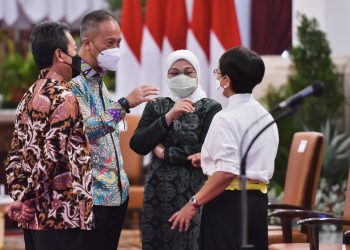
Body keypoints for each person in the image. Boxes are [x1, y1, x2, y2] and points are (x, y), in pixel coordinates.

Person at [169, 46, 279, 250]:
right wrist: (207, 157)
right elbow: (247, 157)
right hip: (256, 205)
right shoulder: (267, 117)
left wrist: (193, 203)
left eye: (218, 73)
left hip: (228, 205)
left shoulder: (225, 118)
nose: (217, 79)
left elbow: (227, 171)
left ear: (227, 80)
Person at [68, 10, 159, 250]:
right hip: (92, 195)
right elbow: (85, 131)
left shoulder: (99, 81)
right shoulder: (73, 84)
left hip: (116, 193)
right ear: (87, 43)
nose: (116, 49)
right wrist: (124, 105)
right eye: (110, 43)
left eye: (118, 42)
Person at [6, 21, 93, 250]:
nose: (77, 56)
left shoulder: (27, 96)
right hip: (61, 214)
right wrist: (25, 199)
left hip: (33, 215)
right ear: (60, 54)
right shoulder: (64, 96)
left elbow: (14, 155)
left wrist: (20, 198)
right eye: (73, 50)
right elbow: (51, 157)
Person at [130, 49, 222, 250]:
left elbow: (207, 149)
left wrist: (166, 153)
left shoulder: (211, 108)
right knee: (157, 242)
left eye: (188, 72)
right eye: (174, 72)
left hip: (194, 189)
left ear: (197, 73)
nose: (181, 77)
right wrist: (168, 116)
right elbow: (138, 144)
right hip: (158, 190)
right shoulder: (157, 106)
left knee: (190, 243)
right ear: (167, 75)